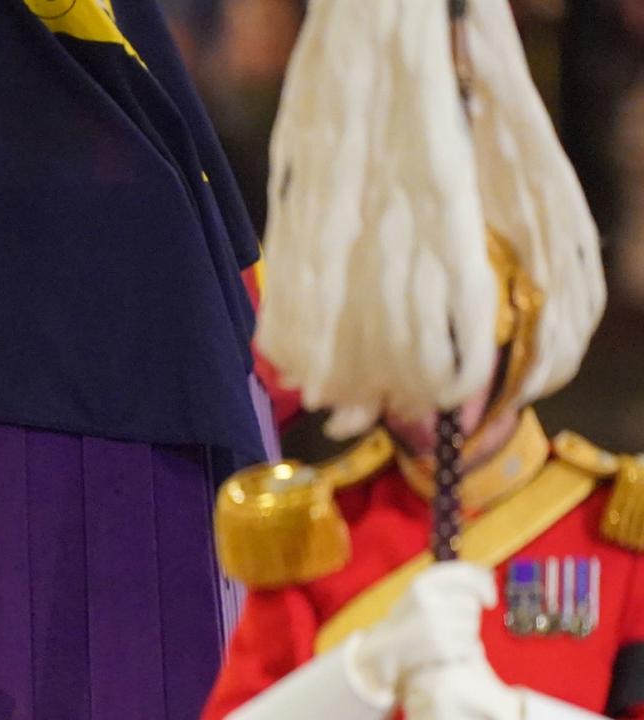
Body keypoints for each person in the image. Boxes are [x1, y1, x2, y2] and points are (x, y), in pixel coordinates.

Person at [201, 0, 643, 717]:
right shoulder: (313, 532)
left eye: (451, 349)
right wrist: (355, 679)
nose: (423, 391)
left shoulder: (618, 527)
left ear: (515, 334)